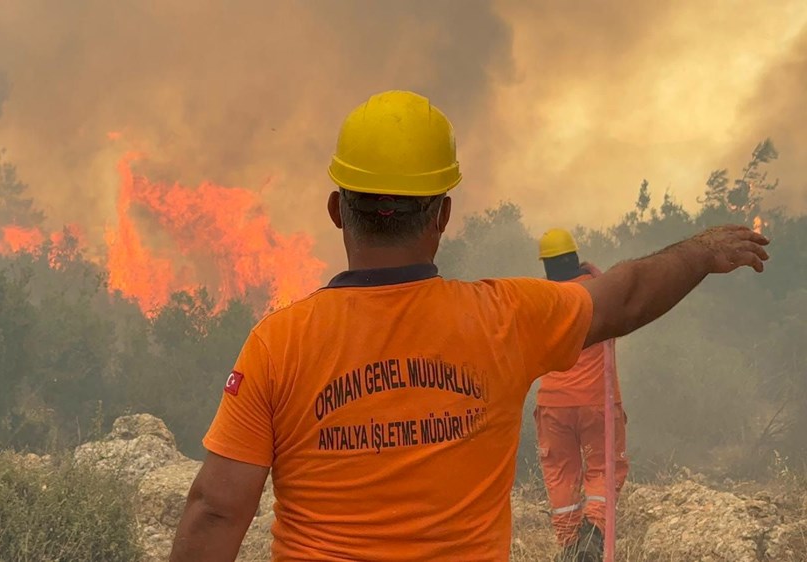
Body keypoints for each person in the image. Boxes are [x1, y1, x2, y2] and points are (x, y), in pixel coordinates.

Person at [168, 90, 770, 562]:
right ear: (445, 215)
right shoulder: (504, 320)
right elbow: (625, 297)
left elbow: (216, 512)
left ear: (335, 211)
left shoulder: (278, 344)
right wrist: (700, 251)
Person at [535, 229, 628, 561]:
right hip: (597, 401)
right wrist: (592, 272)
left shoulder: (541, 298)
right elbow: (625, 303)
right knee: (604, 467)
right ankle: (594, 532)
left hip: (552, 404)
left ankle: (570, 545)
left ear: (546, 265)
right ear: (575, 258)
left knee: (561, 473)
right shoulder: (598, 291)